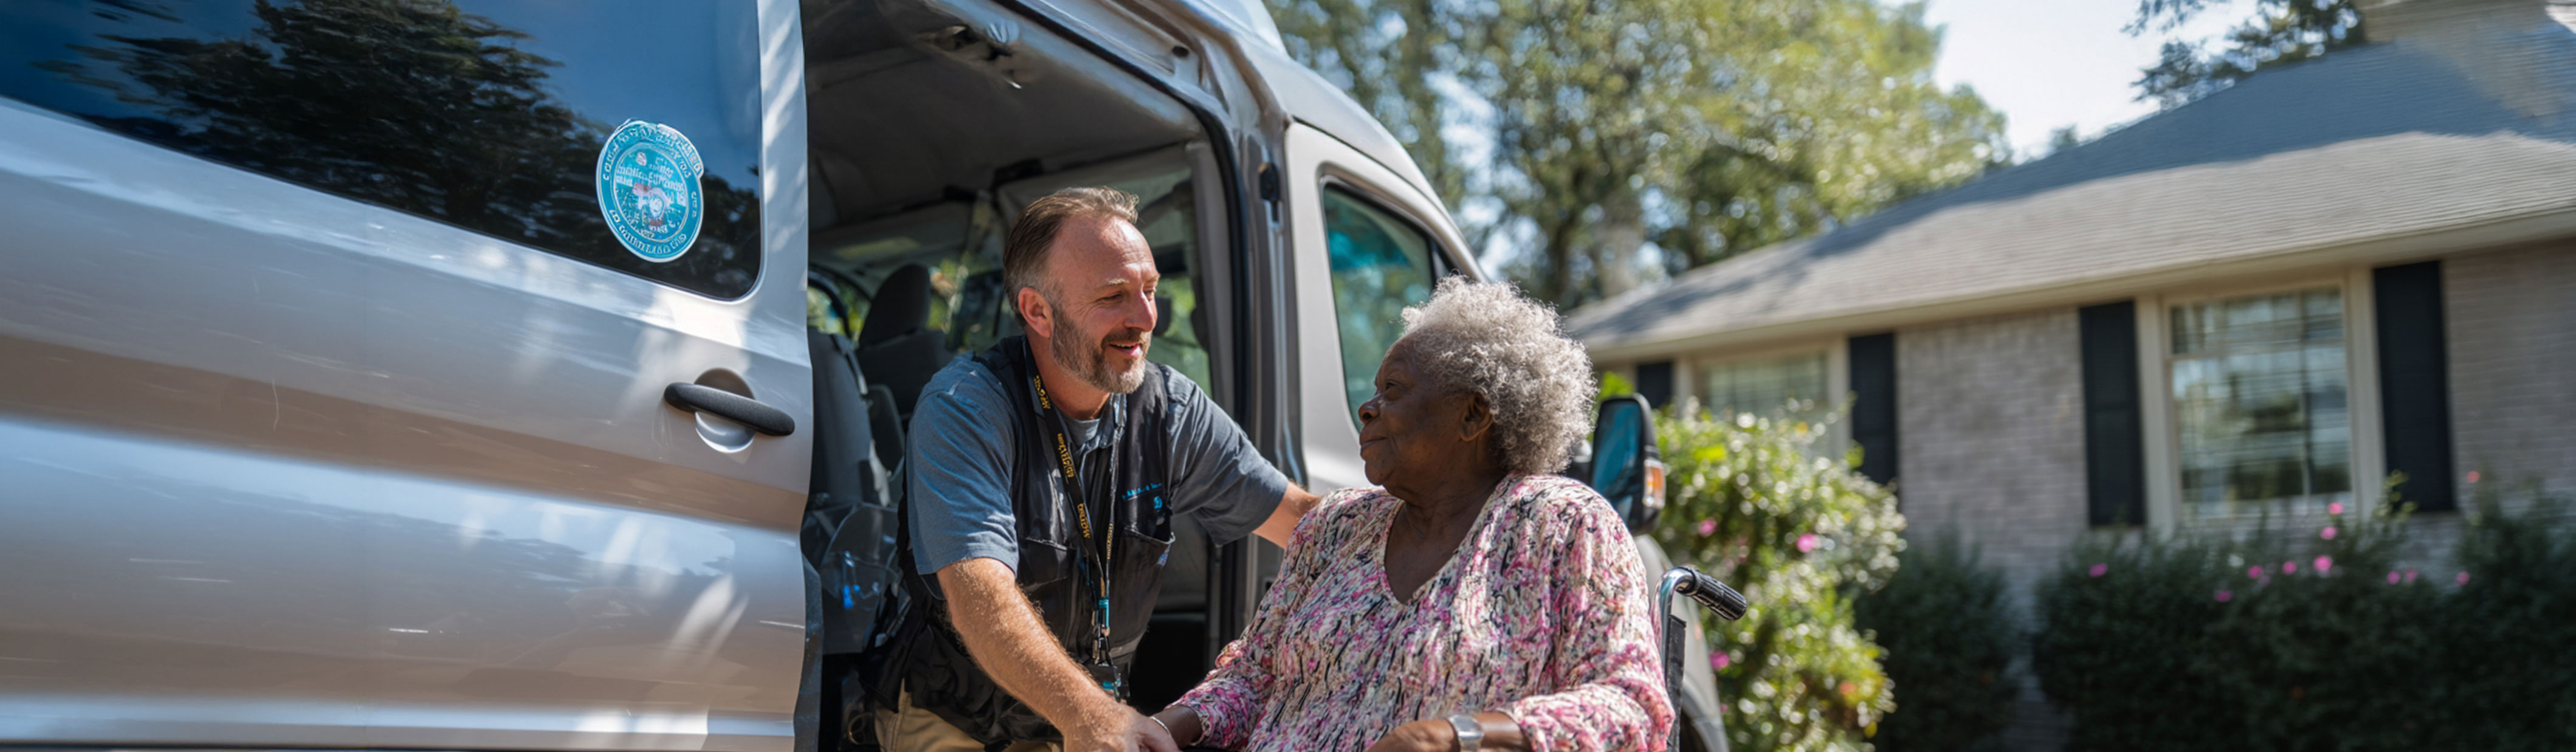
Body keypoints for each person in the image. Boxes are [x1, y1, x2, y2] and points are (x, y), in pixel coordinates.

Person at [872, 187, 1320, 752]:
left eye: (1151, 290)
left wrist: (1443, 515)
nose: (1146, 318)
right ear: (1037, 311)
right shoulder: (965, 406)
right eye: (1114, 296)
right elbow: (978, 593)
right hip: (958, 718)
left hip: (1082, 719)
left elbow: (1302, 521)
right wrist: (1093, 715)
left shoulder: (1171, 409)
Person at [1151, 278, 1671, 752]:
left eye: (1393, 389)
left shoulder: (1562, 524)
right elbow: (1253, 675)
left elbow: (1629, 705)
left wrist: (1454, 736)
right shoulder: (1335, 526)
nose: (1368, 407)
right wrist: (1164, 727)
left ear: (1472, 414)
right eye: (1374, 390)